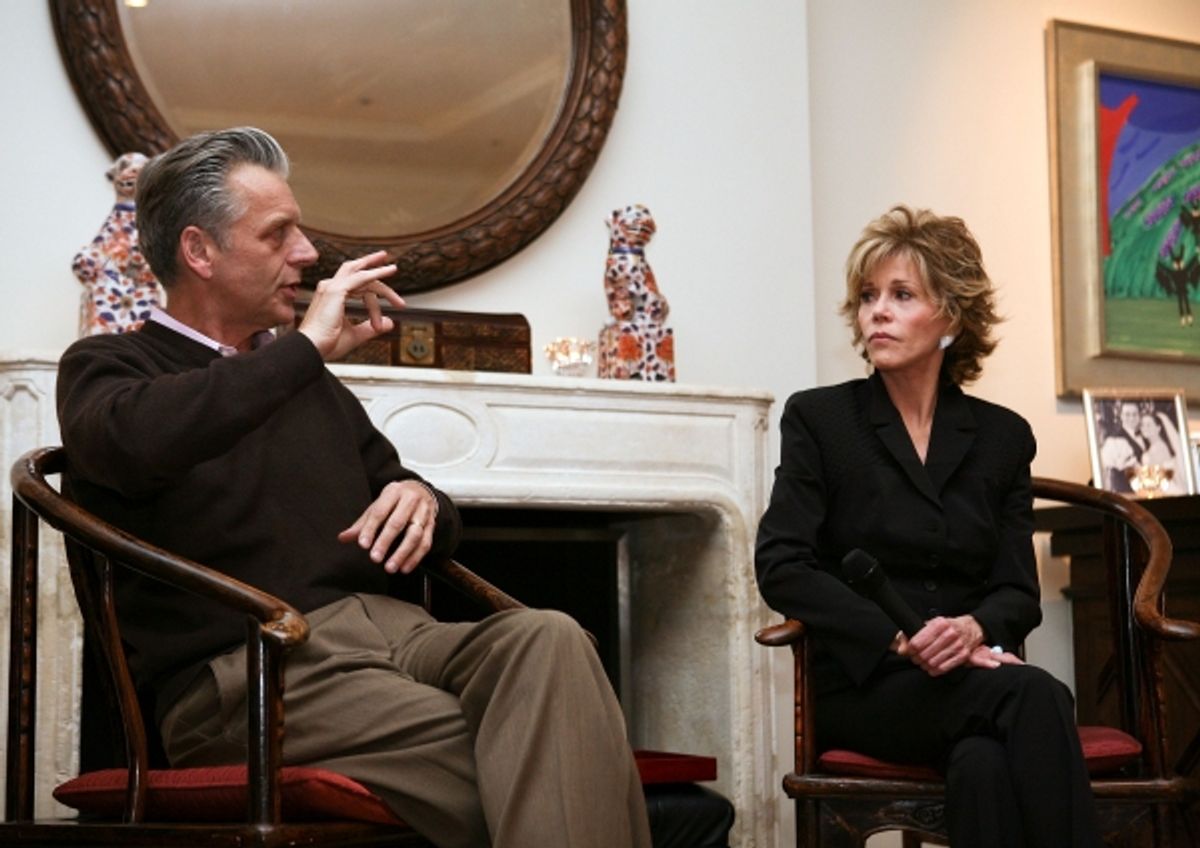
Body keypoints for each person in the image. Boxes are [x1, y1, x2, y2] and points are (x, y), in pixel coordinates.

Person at [56, 127, 652, 848]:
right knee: (554, 751)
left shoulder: (309, 386)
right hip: (253, 671)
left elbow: (394, 483)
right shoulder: (111, 367)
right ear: (198, 252)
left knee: (549, 637)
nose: (307, 254)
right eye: (279, 235)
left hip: (392, 633)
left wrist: (422, 499)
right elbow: (140, 443)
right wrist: (303, 350)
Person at [755, 205, 1102, 847]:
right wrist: (898, 639)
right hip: (868, 686)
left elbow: (1017, 592)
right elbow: (782, 564)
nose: (875, 312)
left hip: (969, 679)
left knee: (984, 764)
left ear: (950, 315)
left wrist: (971, 628)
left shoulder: (1002, 437)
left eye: (901, 295)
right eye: (867, 297)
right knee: (1038, 695)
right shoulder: (821, 421)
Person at [1098, 400, 1146, 493]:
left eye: (1135, 414)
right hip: (1126, 491)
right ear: (1121, 416)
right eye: (1127, 414)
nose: (1131, 418)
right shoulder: (1114, 440)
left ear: (1139, 416)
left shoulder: (1144, 436)